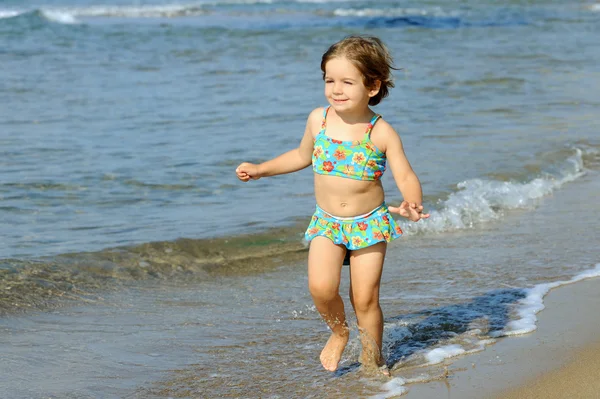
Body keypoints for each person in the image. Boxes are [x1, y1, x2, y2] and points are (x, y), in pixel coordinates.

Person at [235, 35, 429, 375]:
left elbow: (405, 173)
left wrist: (413, 201)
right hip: (327, 222)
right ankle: (339, 332)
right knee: (321, 287)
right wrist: (262, 169)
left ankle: (372, 360)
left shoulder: (381, 132)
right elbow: (300, 156)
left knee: (365, 298)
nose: (336, 89)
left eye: (346, 82)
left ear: (372, 86)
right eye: (329, 80)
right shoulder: (318, 120)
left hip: (369, 224)